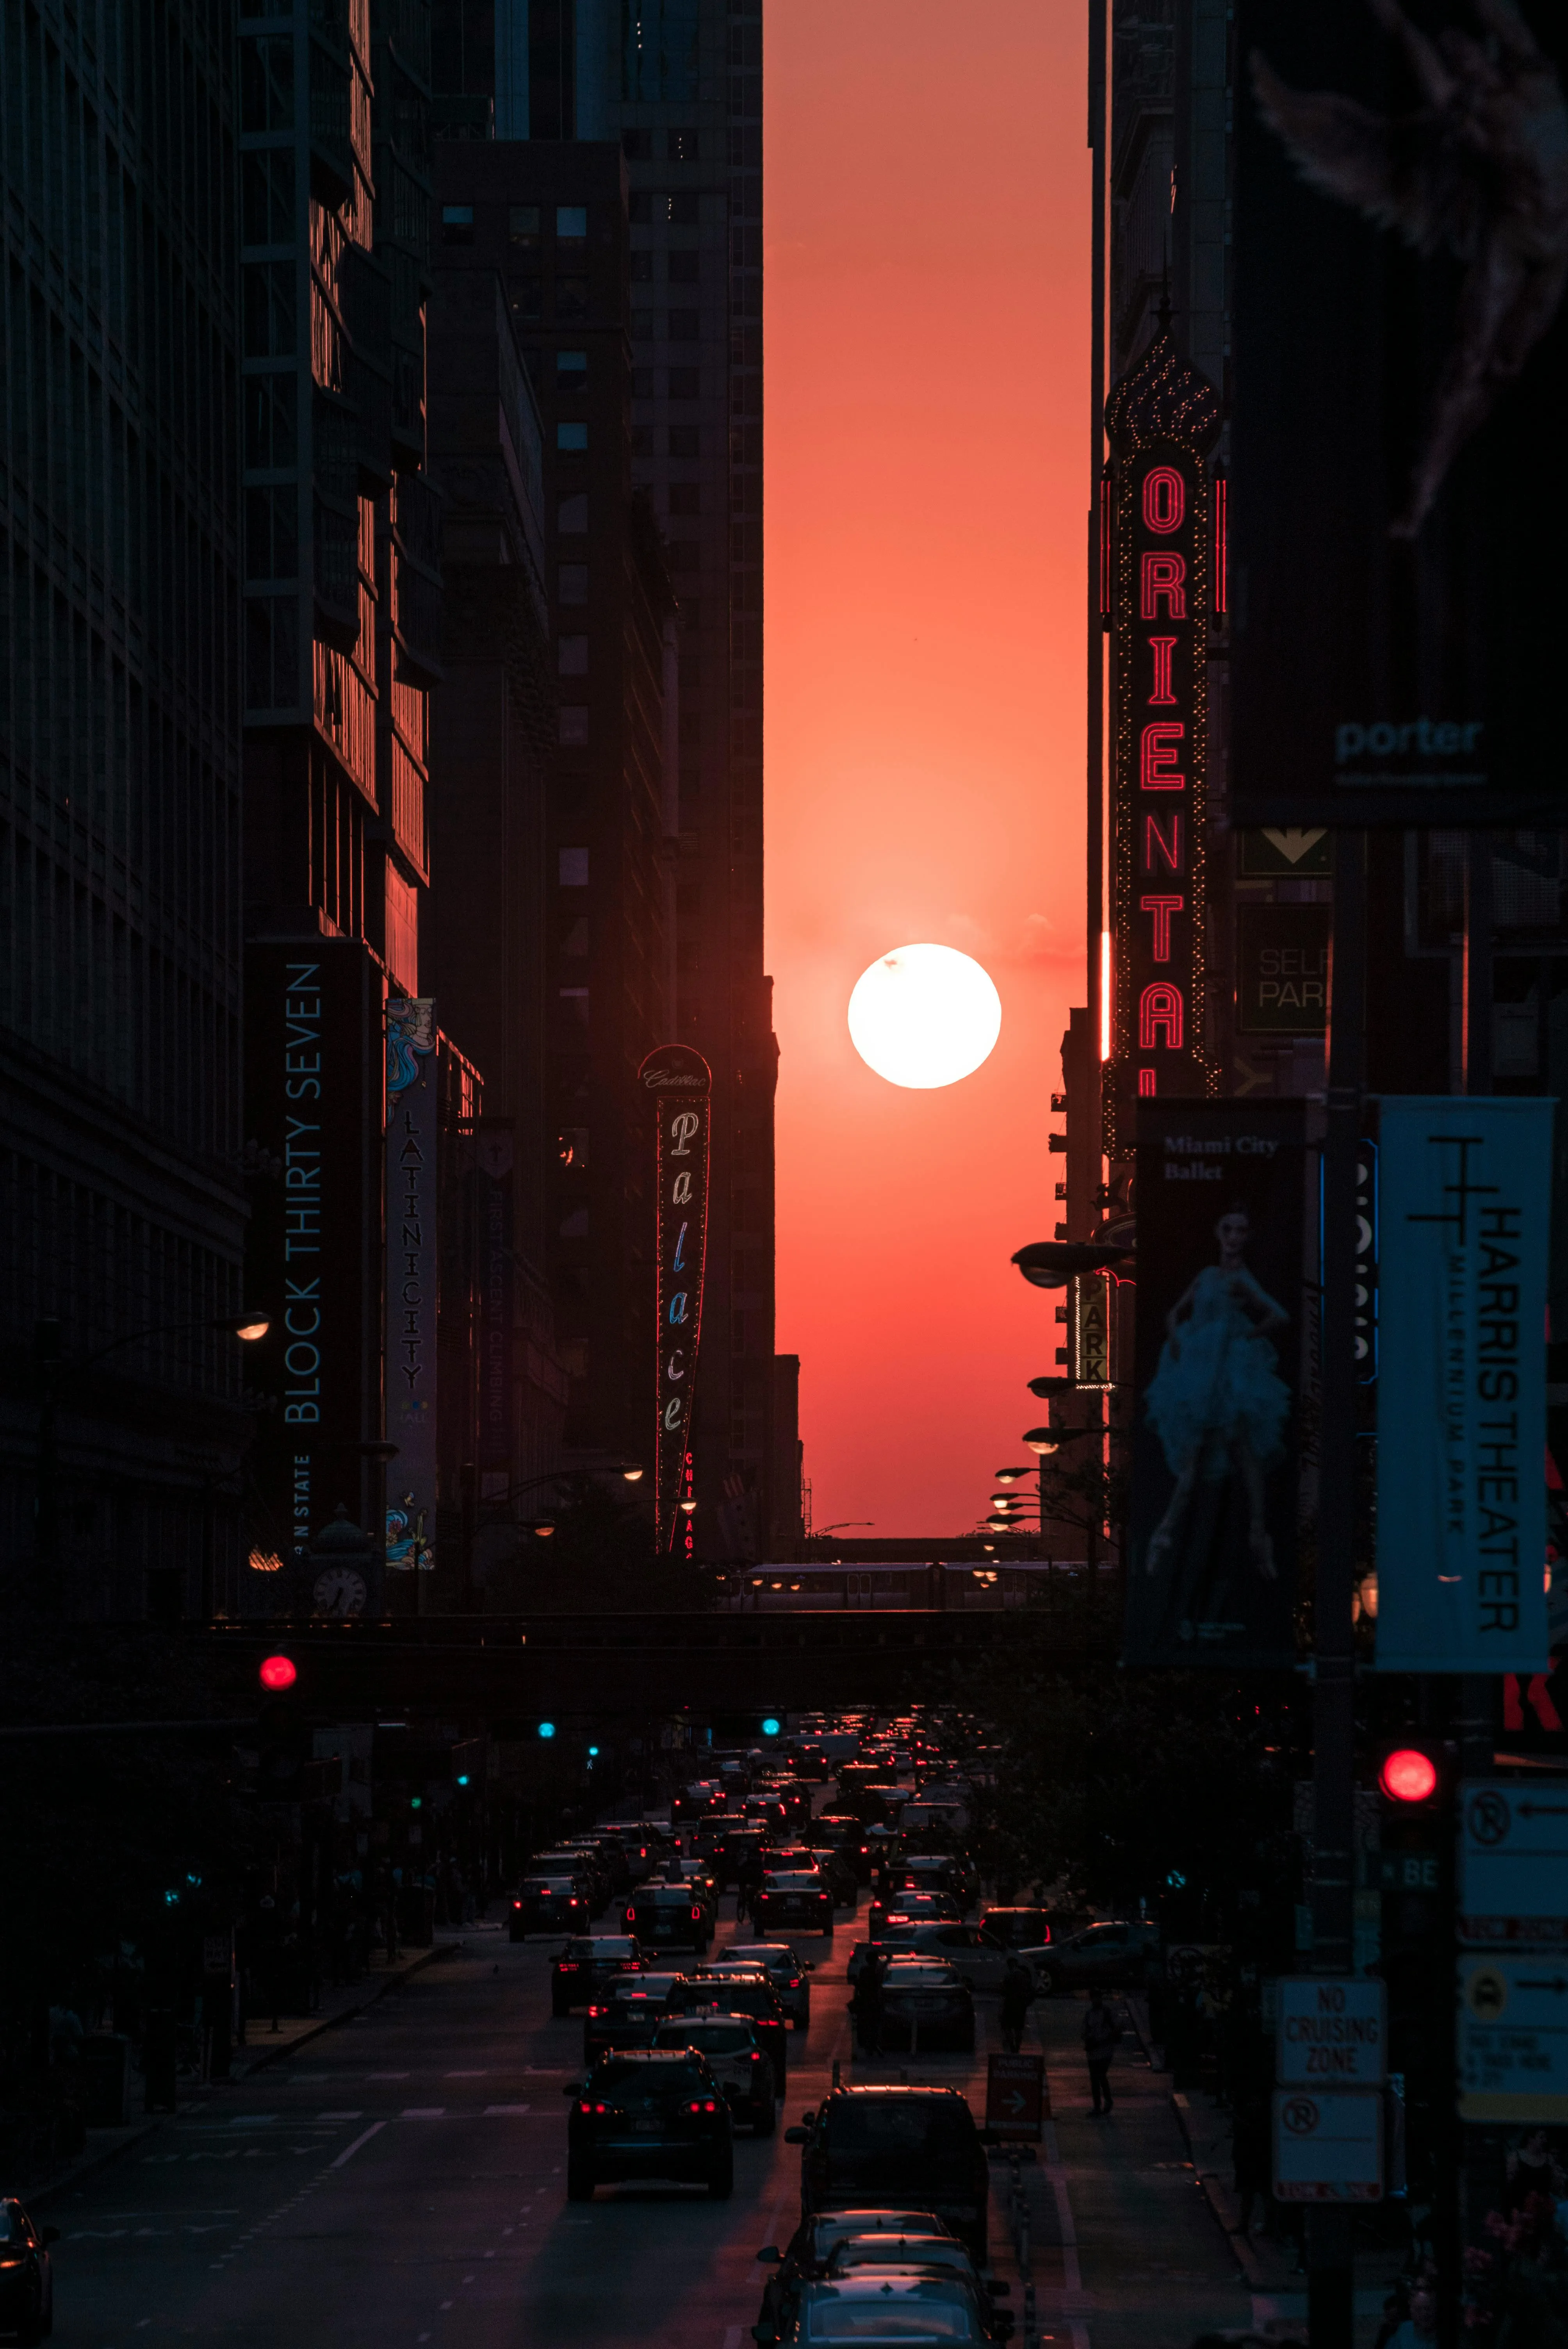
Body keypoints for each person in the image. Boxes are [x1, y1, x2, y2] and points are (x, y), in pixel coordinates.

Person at [1143, 1207, 1291, 1582]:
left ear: (1248, 1236)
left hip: (1226, 1373)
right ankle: (1166, 1534)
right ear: (1218, 1231)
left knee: (1243, 1452)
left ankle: (1255, 1535)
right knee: (1202, 1458)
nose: (1234, 1236)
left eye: (1241, 1230)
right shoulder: (1208, 1275)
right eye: (1229, 1228)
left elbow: (1278, 1315)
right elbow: (1175, 1313)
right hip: (1199, 1370)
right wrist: (1178, 1338)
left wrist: (1244, 1337)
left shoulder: (1241, 1279)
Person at [1084, 1989, 1120, 2114]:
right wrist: (1089, 2040)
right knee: (1095, 2079)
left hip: (1105, 2050)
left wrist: (1106, 2038)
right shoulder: (1089, 2014)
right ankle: (1098, 2105)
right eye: (1094, 1998)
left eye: (1097, 1998)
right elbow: (1085, 2032)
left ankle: (1106, 2101)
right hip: (1094, 2052)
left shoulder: (1107, 2013)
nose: (1095, 2000)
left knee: (1100, 2075)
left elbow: (1117, 2028)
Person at [855, 1948, 887, 2058]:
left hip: (866, 2001)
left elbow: (859, 1986)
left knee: (867, 2025)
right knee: (875, 2026)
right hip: (874, 2002)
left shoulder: (864, 1970)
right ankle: (873, 2046)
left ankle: (869, 2046)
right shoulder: (878, 1970)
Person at [1000, 1957, 1035, 2055]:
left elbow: (1003, 1991)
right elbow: (1031, 1991)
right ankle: (1017, 2048)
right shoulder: (1024, 1976)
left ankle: (1013, 2046)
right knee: (1018, 2029)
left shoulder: (1009, 1976)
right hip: (1020, 2006)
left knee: (1008, 2027)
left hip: (1010, 2005)